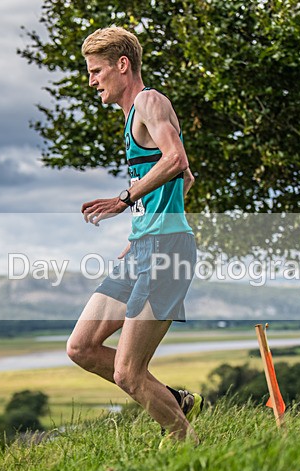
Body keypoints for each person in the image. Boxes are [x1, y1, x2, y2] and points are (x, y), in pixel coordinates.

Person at [66, 26, 202, 444]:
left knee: (127, 371)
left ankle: (186, 442)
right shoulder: (132, 117)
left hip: (166, 252)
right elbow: (187, 180)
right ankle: (171, 398)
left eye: (96, 71)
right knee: (81, 347)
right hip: (145, 246)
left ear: (122, 66)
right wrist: (142, 228)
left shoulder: (149, 101)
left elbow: (177, 160)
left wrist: (125, 200)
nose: (92, 81)